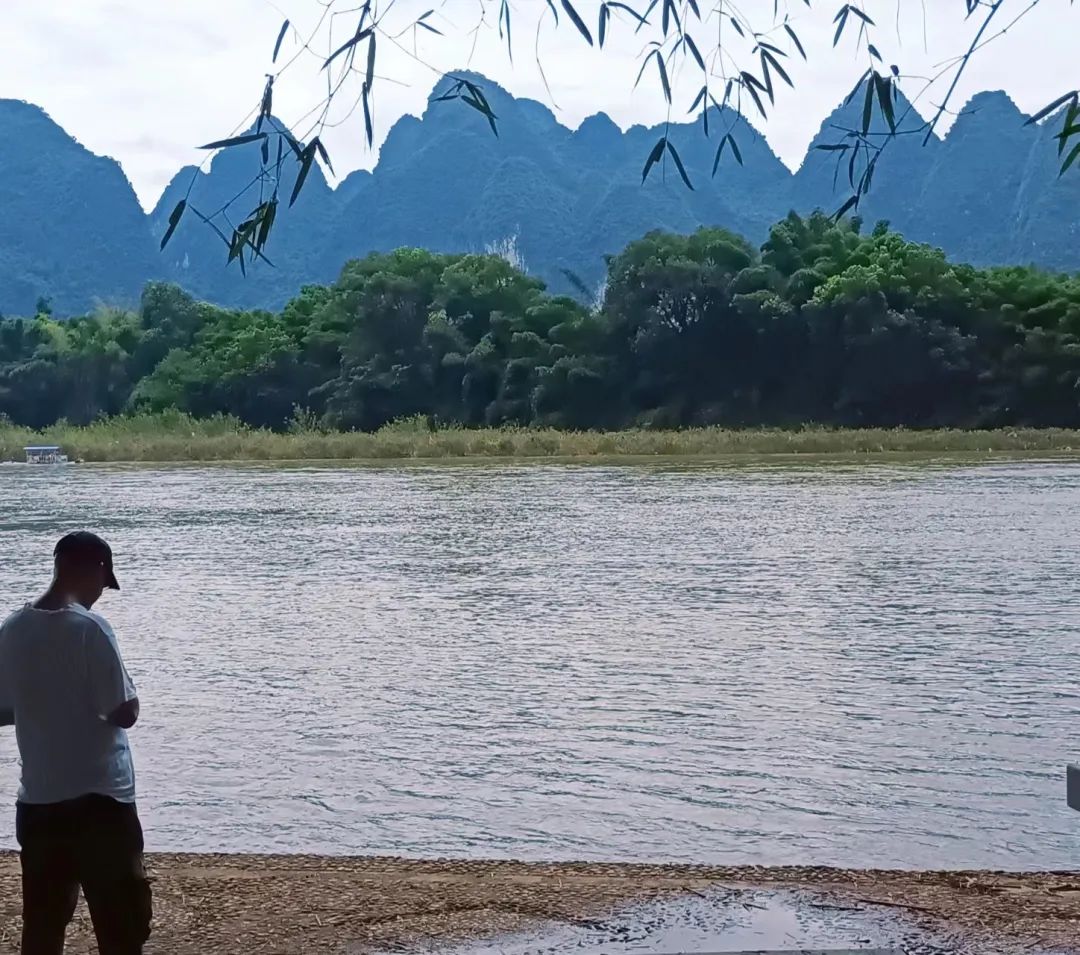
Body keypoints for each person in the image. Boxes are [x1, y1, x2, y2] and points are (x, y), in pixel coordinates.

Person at [0, 532, 151, 955]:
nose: (102, 594)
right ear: (96, 569)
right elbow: (123, 712)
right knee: (121, 927)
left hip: (39, 804)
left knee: (43, 926)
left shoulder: (12, 628)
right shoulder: (91, 628)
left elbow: (2, 711)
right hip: (102, 803)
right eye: (104, 583)